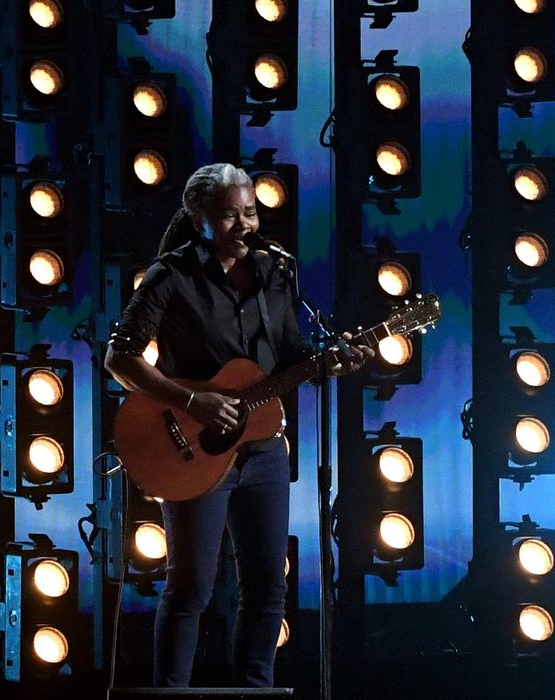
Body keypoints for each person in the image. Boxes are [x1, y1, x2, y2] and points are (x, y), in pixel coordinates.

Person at [104, 163, 369, 687]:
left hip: (264, 448)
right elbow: (120, 358)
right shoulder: (171, 275)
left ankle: (255, 692)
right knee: (190, 587)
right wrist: (192, 401)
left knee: (269, 587)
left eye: (250, 212)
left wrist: (329, 363)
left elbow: (289, 353)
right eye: (229, 215)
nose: (244, 224)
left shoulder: (276, 271)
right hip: (191, 447)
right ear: (198, 218)